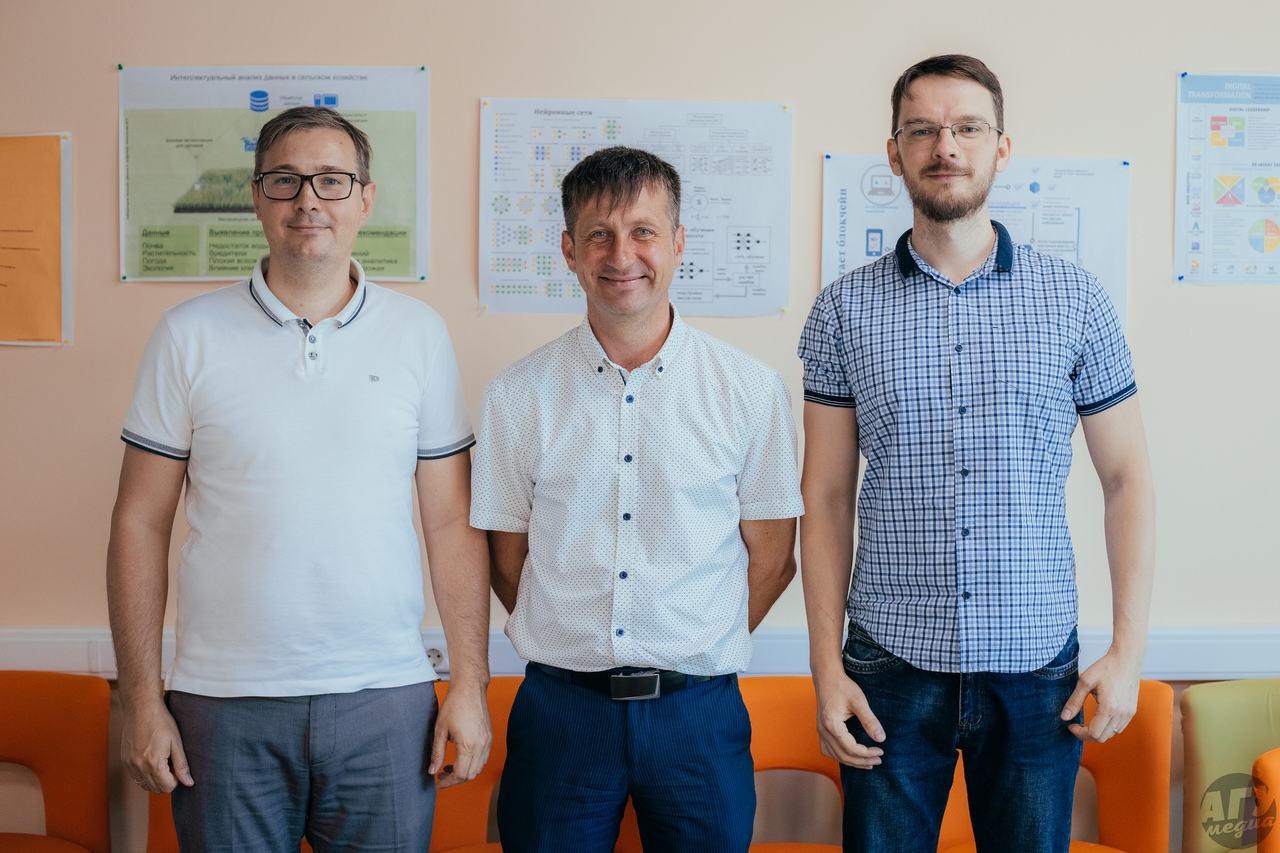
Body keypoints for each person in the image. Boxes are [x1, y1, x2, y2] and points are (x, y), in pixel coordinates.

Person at [107, 106, 491, 852]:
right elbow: (139, 521)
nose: (308, 199)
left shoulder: (419, 335)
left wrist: (470, 682)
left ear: (365, 199)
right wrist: (143, 700)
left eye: (332, 180)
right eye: (285, 180)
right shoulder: (187, 334)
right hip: (223, 702)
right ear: (257, 197)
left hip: (386, 698)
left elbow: (451, 523)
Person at [797, 55, 1156, 853]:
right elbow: (824, 497)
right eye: (922, 129)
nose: (945, 146)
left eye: (967, 127)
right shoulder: (843, 309)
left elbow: (1127, 479)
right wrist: (826, 666)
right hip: (887, 664)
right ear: (894, 153)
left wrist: (1128, 651)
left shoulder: (1076, 300)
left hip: (1038, 671)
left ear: (1002, 147)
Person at [471, 145, 804, 852]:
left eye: (643, 231)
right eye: (599, 234)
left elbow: (774, 560)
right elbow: (506, 559)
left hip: (698, 714)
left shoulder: (750, 390)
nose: (621, 255)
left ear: (678, 243)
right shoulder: (515, 396)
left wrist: (690, 641)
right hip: (561, 713)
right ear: (569, 250)